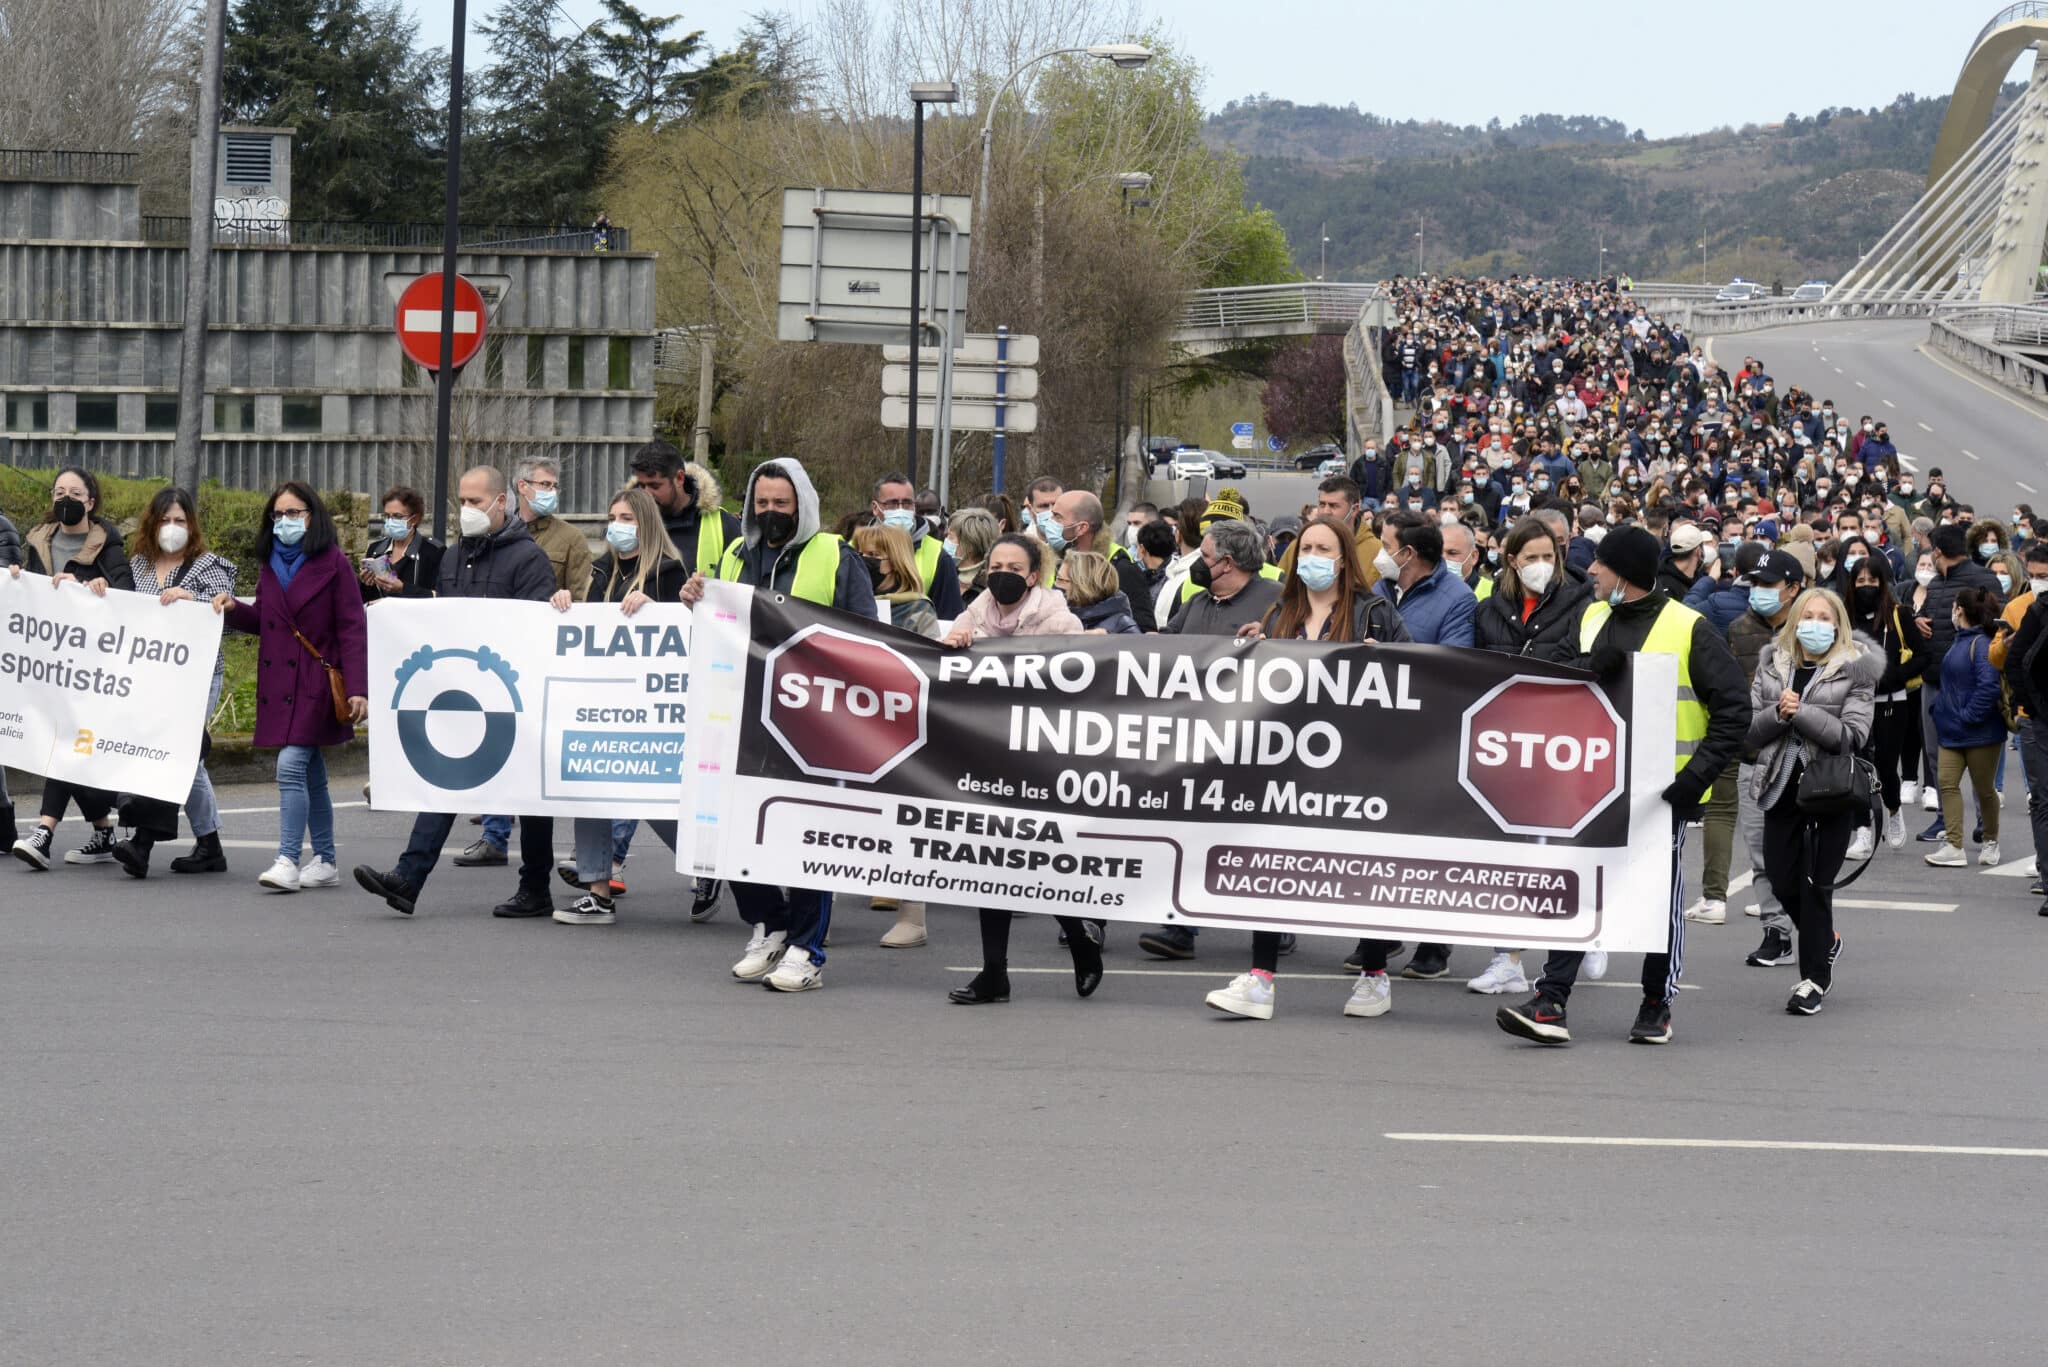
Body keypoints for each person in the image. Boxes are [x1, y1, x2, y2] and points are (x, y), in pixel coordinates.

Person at [1496, 525, 1749, 1046]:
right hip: (1590, 787)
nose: (1589, 571)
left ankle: (1657, 1003)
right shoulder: (1591, 616)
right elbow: (1551, 673)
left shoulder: (1690, 627)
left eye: (1600, 564)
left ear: (1626, 574)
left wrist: (1695, 778)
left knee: (1660, 897)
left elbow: (1734, 710)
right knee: (1577, 887)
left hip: (1664, 795)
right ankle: (1552, 1000)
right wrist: (1592, 666)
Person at [1202, 516, 1410, 1021]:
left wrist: (1387, 660)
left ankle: (1374, 976)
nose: (1313, 556)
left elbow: (1415, 677)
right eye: (1306, 548)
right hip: (1290, 764)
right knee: (1270, 864)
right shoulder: (1280, 614)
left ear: (1344, 559)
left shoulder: (1375, 613)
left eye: (1324, 547)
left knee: (1363, 866)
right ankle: (1260, 979)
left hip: (1358, 765)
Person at [680, 458, 876, 992]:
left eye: (781, 505)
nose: (770, 513)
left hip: (812, 720)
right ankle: (768, 926)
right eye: (762, 504)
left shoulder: (836, 554)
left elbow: (867, 633)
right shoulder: (733, 556)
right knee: (739, 831)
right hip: (743, 714)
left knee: (806, 836)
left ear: (802, 506)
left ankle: (807, 950)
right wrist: (695, 600)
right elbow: (718, 628)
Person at [351, 467, 557, 916]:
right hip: (468, 694)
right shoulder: (453, 558)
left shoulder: (528, 559)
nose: (467, 510)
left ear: (501, 502)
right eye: (462, 501)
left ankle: (536, 886)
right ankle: (408, 878)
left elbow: (536, 630)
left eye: (476, 502)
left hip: (513, 697)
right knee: (446, 783)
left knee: (529, 795)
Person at [940, 534, 1102, 1004]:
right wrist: (953, 645)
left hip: (1041, 761)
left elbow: (1083, 680)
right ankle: (995, 974)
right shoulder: (974, 614)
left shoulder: (1058, 619)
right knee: (996, 863)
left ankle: (1079, 936)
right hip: (988, 756)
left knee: (1036, 864)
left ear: (1034, 576)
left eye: (1015, 566)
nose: (1003, 573)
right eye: (996, 565)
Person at [547, 486, 699, 927]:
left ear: (646, 523)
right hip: (604, 704)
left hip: (653, 708)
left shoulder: (670, 571)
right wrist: (565, 605)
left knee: (658, 802)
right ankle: (597, 890)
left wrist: (657, 609)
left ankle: (705, 865)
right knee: (591, 791)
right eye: (613, 516)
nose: (618, 525)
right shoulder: (600, 570)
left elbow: (691, 624)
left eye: (628, 518)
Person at [208, 483, 369, 890]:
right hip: (280, 680)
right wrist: (232, 609)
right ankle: (327, 860)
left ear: (312, 516)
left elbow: (353, 628)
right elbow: (265, 618)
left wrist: (358, 687)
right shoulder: (270, 564)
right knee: (311, 774)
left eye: (294, 513)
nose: (285, 522)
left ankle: (287, 858)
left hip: (317, 680)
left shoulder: (334, 562)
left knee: (291, 765)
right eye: (278, 515)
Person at [1139, 518, 1283, 961]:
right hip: (1195, 738)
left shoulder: (1275, 602)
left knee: (1256, 838)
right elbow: (1171, 645)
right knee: (1190, 829)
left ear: (1227, 562)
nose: (1195, 565)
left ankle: (1277, 922)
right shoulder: (1197, 600)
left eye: (1203, 557)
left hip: (1256, 740)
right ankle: (1180, 924)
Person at [1465, 515, 1596, 995]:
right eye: (1531, 558)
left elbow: (1592, 663)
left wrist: (1542, 671)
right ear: (1511, 560)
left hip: (1563, 741)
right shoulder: (1489, 609)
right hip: (1504, 743)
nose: (1542, 565)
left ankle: (1583, 933)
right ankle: (1508, 958)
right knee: (1506, 856)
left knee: (1559, 852)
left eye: (1549, 556)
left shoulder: (1584, 604)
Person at [1746, 589, 1878, 1015]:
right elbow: (1750, 732)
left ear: (1837, 625)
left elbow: (1851, 736)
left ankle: (1813, 980)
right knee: (1781, 878)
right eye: (1809, 615)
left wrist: (1801, 712)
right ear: (1795, 620)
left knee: (1816, 885)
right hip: (1780, 785)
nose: (1816, 624)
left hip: (1831, 790)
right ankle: (1827, 942)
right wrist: (1778, 714)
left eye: (1825, 617)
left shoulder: (1856, 671)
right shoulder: (1771, 665)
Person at [462, 456, 593, 869]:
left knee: (540, 753)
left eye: (554, 485)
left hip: (546, 655)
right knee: (497, 742)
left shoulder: (571, 539)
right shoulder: (488, 532)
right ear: (521, 487)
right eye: (544, 484)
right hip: (498, 656)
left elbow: (584, 594)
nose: (551, 491)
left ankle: (577, 847)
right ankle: (494, 835)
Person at [8, 468, 137, 870]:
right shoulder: (38, 542)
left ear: (91, 501)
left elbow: (129, 597)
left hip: (91, 670)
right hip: (49, 665)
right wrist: (16, 583)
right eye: (59, 491)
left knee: (65, 741)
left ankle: (44, 833)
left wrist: (98, 589)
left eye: (75, 492)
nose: (66, 498)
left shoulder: (108, 547)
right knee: (69, 746)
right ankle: (102, 830)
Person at [112, 488, 238, 878]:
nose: (172, 527)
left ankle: (143, 844)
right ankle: (210, 845)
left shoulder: (209, 565)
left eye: (180, 520)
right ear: (153, 523)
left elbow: (226, 612)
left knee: (176, 751)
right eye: (165, 519)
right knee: (186, 760)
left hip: (197, 676)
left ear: (191, 525)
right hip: (152, 674)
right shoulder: (138, 566)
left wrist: (195, 602)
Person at [1376, 512, 1477, 980]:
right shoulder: (1379, 591)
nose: (1379, 554)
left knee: (1432, 847)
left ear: (1408, 554)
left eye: (1385, 544)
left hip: (1432, 736)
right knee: (1379, 844)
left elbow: (1454, 665)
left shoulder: (1458, 598)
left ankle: (1434, 945)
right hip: (1379, 735)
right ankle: (1378, 936)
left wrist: (1391, 653)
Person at [1912, 523, 2002, 841]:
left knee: (1979, 762)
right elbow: (1922, 615)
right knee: (1937, 755)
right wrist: (1918, 621)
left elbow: (1998, 625)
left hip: (1972, 684)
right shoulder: (1937, 583)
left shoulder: (1983, 580)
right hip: (1935, 680)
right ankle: (1943, 819)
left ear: (1937, 552)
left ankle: (1983, 822)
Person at [1845, 554, 1921, 855]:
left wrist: (1893, 677)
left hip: (1892, 701)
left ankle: (1892, 810)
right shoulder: (1843, 617)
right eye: (1860, 581)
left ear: (1882, 583)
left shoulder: (1898, 615)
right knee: (1857, 766)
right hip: (1853, 701)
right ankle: (1862, 830)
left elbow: (1923, 655)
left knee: (1886, 765)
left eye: (1872, 581)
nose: (1866, 587)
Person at [1925, 587, 2007, 868]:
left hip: (1979, 733)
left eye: (1953, 605)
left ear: (1959, 609)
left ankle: (1990, 840)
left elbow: (1989, 687)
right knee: (1947, 783)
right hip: (1954, 730)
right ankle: (1954, 844)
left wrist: (1966, 716)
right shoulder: (1963, 640)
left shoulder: (1981, 644)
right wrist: (1942, 710)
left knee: (1984, 789)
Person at [2002, 565, 2048, 915]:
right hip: (2037, 721)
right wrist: (2030, 707)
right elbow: (2015, 660)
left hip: (2036, 718)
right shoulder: (2038, 610)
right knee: (2043, 800)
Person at [1046, 489, 1157, 630]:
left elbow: (1145, 632)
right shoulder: (1058, 560)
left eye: (1057, 517)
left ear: (1081, 528)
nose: (1050, 522)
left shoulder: (1121, 568)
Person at [629, 439, 740, 576]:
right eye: (641, 486)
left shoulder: (725, 526)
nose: (646, 494)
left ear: (679, 478)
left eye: (655, 486)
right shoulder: (626, 521)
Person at [870, 471, 966, 619]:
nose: (900, 509)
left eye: (907, 503)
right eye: (893, 503)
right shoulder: (854, 551)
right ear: (876, 508)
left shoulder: (938, 557)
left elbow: (949, 621)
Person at [852, 524, 942, 638]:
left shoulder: (918, 610)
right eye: (859, 553)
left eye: (873, 554)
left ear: (895, 562)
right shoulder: (852, 601)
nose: (863, 559)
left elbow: (929, 653)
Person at [358, 485, 444, 602]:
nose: (390, 521)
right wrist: (365, 582)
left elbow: (440, 597)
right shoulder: (376, 549)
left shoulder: (433, 551)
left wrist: (403, 588)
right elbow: (365, 599)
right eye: (387, 516)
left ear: (414, 519)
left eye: (397, 516)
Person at [1057, 550, 1142, 635]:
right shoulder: (1057, 618)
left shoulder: (1122, 626)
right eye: (1056, 578)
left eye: (1060, 580)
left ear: (1083, 586)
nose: (1056, 586)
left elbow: (1137, 647)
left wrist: (1106, 640)